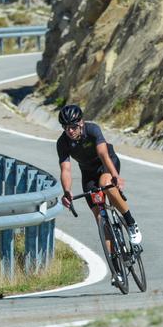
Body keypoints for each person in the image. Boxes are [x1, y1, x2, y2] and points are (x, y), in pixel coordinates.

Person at [56, 104, 142, 245]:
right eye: (65, 127)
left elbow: (103, 155)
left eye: (73, 127)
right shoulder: (62, 143)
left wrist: (115, 175)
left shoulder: (92, 130)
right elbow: (65, 169)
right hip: (88, 173)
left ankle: (130, 222)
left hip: (106, 164)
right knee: (99, 216)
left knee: (105, 183)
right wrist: (67, 191)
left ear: (81, 122)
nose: (70, 131)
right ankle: (113, 256)